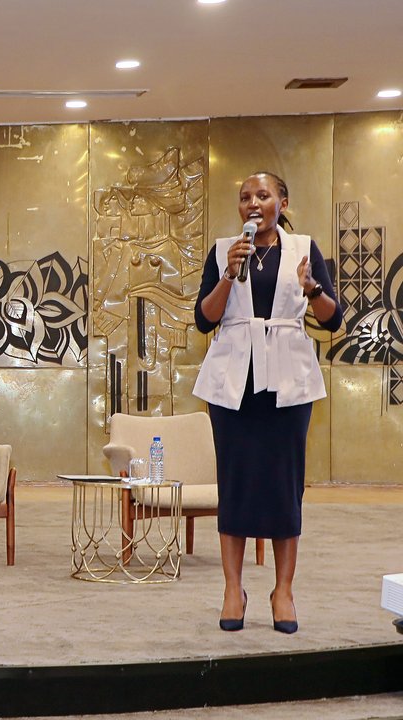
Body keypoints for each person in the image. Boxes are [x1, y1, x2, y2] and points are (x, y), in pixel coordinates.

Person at [192, 171, 343, 634]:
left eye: (263, 195)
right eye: (244, 197)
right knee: (234, 484)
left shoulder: (304, 249)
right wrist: (228, 275)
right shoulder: (223, 251)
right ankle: (233, 590)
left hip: (288, 384)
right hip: (232, 382)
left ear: (283, 201)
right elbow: (204, 319)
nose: (252, 203)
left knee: (284, 484)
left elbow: (332, 319)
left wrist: (311, 288)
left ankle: (283, 591)